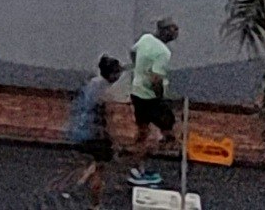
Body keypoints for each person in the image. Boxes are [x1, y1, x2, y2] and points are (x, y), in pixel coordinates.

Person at [64, 54, 127, 201]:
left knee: (97, 161)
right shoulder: (105, 92)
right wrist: (113, 139)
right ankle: (94, 201)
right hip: (91, 133)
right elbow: (106, 120)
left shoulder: (93, 83)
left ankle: (80, 182)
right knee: (101, 164)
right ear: (111, 75)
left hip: (78, 127)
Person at [128, 18, 180, 183]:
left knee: (143, 131)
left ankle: (137, 168)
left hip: (137, 92)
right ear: (164, 30)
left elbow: (133, 52)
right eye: (173, 29)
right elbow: (156, 78)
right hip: (151, 97)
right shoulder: (163, 52)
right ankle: (145, 157)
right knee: (168, 132)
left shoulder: (145, 38)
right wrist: (160, 97)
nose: (176, 33)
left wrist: (140, 69)